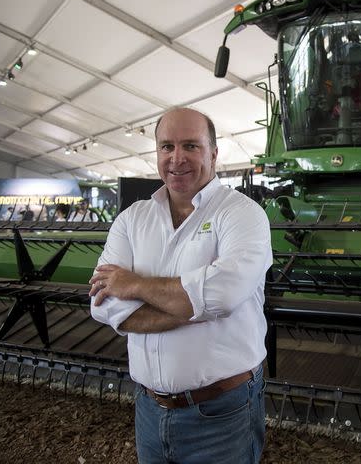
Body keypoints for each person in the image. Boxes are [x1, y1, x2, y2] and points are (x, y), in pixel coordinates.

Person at [88, 108, 272, 463]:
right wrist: (197, 305)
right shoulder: (132, 219)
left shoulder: (241, 214)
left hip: (222, 413)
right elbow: (103, 303)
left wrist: (134, 285)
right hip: (148, 408)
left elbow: (224, 294)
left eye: (191, 145)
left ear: (214, 154)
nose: (177, 158)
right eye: (166, 146)